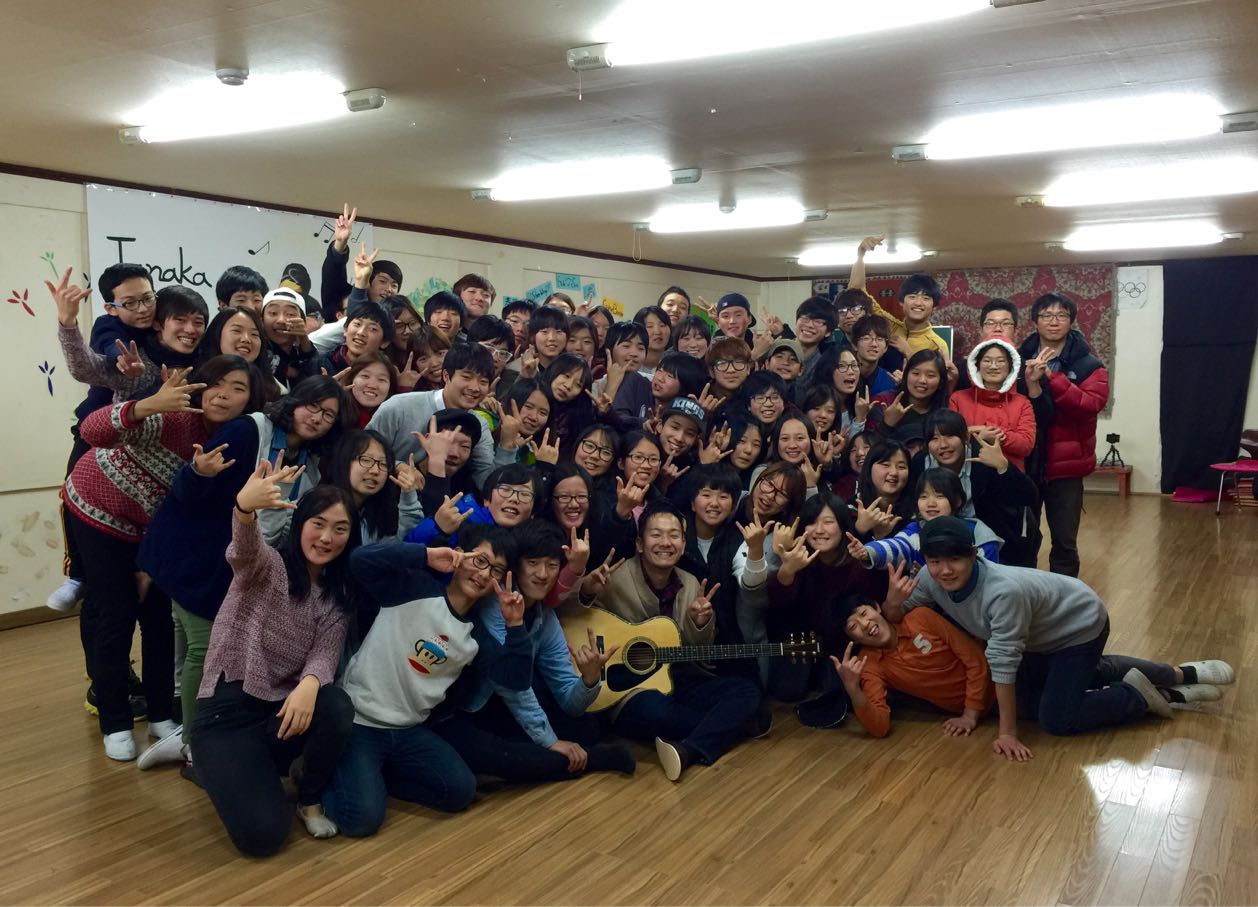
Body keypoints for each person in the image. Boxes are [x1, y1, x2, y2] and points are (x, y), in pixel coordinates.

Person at [882, 517, 1235, 761]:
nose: (945, 570)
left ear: (973, 555)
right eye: (935, 561)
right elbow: (898, 617)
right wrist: (893, 603)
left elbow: (1003, 663)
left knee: (1057, 720)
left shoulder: (1001, 593)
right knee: (1066, 683)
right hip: (1041, 635)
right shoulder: (929, 581)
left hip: (1080, 623)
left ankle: (1153, 694)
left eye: (955, 559)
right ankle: (1178, 674)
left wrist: (1007, 733)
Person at [136, 375, 350, 773]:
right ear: (294, 401)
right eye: (313, 406)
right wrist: (200, 473)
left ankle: (185, 733)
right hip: (195, 556)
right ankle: (194, 744)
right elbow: (189, 489)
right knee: (202, 649)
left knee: (192, 648)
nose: (318, 418)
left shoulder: (309, 465)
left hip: (234, 562)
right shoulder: (250, 430)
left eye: (328, 415)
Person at [321, 524, 530, 836]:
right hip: (360, 720)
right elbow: (360, 560)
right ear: (459, 555)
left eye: (496, 570)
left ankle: (377, 779)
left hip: (408, 730)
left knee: (460, 791)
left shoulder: (475, 636)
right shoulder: (413, 588)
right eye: (480, 560)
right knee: (361, 819)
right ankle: (323, 774)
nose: (485, 574)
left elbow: (515, 678)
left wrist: (516, 625)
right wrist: (426, 555)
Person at [192, 466, 358, 855]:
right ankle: (212, 769)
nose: (327, 537)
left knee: (335, 704)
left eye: (340, 529)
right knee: (263, 837)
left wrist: (311, 683)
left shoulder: (337, 597)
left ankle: (308, 799)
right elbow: (244, 550)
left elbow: (325, 654)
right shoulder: (269, 567)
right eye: (318, 524)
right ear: (300, 524)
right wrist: (244, 509)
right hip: (227, 717)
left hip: (276, 716)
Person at [434, 521, 636, 784]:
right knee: (527, 755)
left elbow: (568, 698)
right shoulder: (496, 604)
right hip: (472, 709)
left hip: (507, 709)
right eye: (533, 563)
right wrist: (550, 741)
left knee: (586, 726)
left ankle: (548, 756)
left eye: (552, 565)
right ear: (516, 566)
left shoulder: (545, 617)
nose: (543, 574)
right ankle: (591, 760)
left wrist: (589, 679)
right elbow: (510, 685)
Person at [580, 501, 764, 782]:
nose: (666, 542)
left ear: (683, 543)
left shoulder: (690, 583)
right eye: (656, 535)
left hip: (679, 680)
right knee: (657, 713)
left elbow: (697, 651)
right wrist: (585, 591)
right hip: (630, 691)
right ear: (640, 544)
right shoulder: (613, 579)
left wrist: (699, 623)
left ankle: (688, 749)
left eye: (674, 535)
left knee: (746, 691)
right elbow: (575, 618)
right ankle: (731, 726)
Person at [50, 263, 156, 613]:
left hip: (148, 441)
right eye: (131, 303)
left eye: (148, 298)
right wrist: (121, 360)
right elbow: (104, 350)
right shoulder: (108, 325)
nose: (143, 308)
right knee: (73, 495)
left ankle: (146, 567)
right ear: (111, 307)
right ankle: (77, 575)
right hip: (97, 433)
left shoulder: (163, 324)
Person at [766, 493, 887, 724]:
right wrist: (787, 570)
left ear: (842, 526)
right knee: (787, 690)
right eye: (811, 523)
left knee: (845, 691)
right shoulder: (798, 556)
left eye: (828, 522)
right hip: (801, 640)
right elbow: (777, 605)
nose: (819, 530)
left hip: (844, 642)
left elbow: (875, 599)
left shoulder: (856, 559)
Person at [1018, 291, 1109, 576]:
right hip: (1026, 462)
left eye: (1061, 315)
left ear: (1071, 321)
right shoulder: (1017, 359)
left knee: (1065, 543)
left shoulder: (1088, 365)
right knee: (1024, 538)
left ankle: (1065, 597)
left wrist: (1053, 378)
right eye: (1046, 315)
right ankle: (1026, 594)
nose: (1054, 321)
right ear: (1035, 322)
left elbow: (1090, 405)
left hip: (1066, 467)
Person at [835, 594, 995, 739]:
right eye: (853, 627)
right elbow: (880, 728)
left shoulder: (920, 617)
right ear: (852, 639)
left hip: (1000, 682)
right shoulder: (868, 664)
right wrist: (853, 690)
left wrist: (970, 715)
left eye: (863, 613)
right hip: (985, 714)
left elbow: (976, 659)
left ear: (877, 607)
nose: (864, 624)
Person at [917, 410, 1041, 569]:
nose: (943, 445)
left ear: (966, 437)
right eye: (934, 438)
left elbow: (1029, 496)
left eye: (950, 435)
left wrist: (1003, 466)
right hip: (940, 542)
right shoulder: (921, 463)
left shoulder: (985, 458)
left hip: (998, 541)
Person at [366, 342, 497, 487]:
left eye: (483, 382)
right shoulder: (400, 406)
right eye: (466, 377)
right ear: (446, 376)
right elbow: (362, 452)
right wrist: (397, 466)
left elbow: (486, 482)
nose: (475, 387)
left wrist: (507, 446)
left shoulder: (479, 424)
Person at [848, 468, 1003, 569]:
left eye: (939, 496)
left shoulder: (978, 533)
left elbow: (985, 576)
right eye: (923, 496)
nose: (930, 503)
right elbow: (897, 546)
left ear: (957, 501)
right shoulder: (915, 530)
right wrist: (868, 552)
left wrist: (928, 577)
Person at [949, 337, 1037, 471]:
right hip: (967, 474)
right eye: (987, 360)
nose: (993, 366)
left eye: (1001, 361)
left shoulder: (1022, 403)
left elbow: (1026, 445)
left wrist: (993, 434)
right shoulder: (958, 398)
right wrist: (979, 436)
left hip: (1009, 474)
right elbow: (949, 439)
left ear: (1011, 366)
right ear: (976, 365)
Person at [320, 429, 423, 543]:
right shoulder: (319, 505)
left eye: (383, 464)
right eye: (366, 460)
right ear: (344, 461)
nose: (375, 470)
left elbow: (404, 547)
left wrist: (408, 497)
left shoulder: (379, 516)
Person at [871, 349, 950, 445]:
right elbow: (868, 447)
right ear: (906, 375)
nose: (922, 380)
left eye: (930, 375)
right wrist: (887, 424)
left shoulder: (945, 410)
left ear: (941, 382)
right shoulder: (884, 401)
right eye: (916, 373)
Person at [633, 305, 673, 380]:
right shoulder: (628, 363)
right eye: (649, 326)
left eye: (662, 325)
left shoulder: (675, 367)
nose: (657, 332)